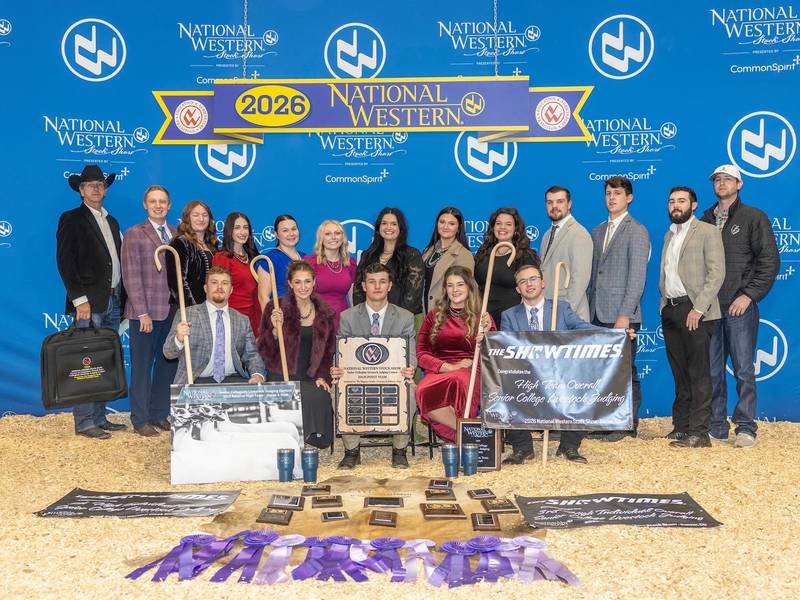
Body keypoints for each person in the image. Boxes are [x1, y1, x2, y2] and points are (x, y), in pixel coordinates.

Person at [700, 164, 779, 447]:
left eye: (727, 179)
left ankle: (746, 427)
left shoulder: (753, 217)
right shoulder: (704, 219)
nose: (721, 183)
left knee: (744, 368)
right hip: (710, 308)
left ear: (739, 184)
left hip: (739, 307)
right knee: (712, 370)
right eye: (717, 180)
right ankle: (716, 426)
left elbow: (769, 261)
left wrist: (748, 295)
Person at [56, 164, 127, 439]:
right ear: (81, 190)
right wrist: (79, 299)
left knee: (104, 362)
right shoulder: (71, 219)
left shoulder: (112, 221)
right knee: (87, 363)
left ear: (105, 190)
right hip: (88, 302)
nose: (96, 188)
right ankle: (85, 422)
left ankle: (99, 416)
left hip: (112, 299)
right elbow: (65, 262)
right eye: (90, 185)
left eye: (100, 184)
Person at [500, 264, 596, 464]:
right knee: (503, 388)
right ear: (518, 289)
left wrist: (616, 334)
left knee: (583, 388)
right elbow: (505, 349)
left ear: (543, 283)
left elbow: (583, 328)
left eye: (533, 279)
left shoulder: (561, 308)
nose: (529, 284)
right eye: (523, 281)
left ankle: (569, 446)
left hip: (560, 376)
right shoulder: (509, 315)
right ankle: (522, 448)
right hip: (526, 377)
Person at [331, 262, 417, 469]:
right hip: (358, 378)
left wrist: (410, 367)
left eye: (382, 282)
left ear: (389, 286)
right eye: (372, 282)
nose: (377, 286)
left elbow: (411, 352)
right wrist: (337, 367)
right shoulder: (348, 316)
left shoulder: (405, 317)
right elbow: (341, 351)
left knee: (411, 392)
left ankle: (399, 450)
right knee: (337, 390)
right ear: (363, 286)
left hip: (393, 377)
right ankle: (352, 450)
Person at [659, 186, 725, 448]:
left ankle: (699, 433)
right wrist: (664, 305)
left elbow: (716, 273)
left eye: (682, 201)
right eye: (672, 200)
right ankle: (682, 426)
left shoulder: (708, 231)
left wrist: (699, 308)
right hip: (672, 309)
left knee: (698, 373)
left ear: (694, 205)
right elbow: (667, 274)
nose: (676, 205)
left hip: (696, 310)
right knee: (680, 373)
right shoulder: (669, 234)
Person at [588, 176, 650, 440]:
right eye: (608, 193)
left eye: (617, 193)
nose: (611, 197)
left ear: (629, 197)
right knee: (601, 373)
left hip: (621, 316)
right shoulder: (597, 231)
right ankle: (604, 421)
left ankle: (627, 424)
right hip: (596, 313)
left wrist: (625, 315)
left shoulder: (637, 230)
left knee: (625, 371)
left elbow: (636, 278)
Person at [258, 260, 336, 449]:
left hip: (309, 375)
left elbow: (327, 353)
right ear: (290, 283)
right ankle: (289, 438)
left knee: (320, 395)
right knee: (295, 395)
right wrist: (275, 333)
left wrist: (322, 376)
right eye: (298, 282)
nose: (303, 287)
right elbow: (263, 350)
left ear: (314, 282)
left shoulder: (325, 312)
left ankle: (310, 436)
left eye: (307, 281)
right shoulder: (274, 308)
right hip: (281, 373)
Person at [120, 185, 178, 437]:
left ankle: (159, 413)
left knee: (167, 366)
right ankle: (140, 419)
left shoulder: (176, 234)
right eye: (153, 201)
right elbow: (130, 275)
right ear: (145, 205)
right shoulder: (134, 233)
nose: (158, 205)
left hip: (171, 312)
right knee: (143, 367)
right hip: (144, 313)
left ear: (169, 205)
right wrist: (141, 312)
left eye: (162, 201)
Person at [416, 265, 494, 442]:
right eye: (450, 285)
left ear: (469, 287)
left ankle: (464, 436)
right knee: (422, 390)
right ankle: (466, 435)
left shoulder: (481, 317)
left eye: (460, 284)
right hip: (440, 369)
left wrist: (488, 334)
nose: (455, 290)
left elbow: (493, 355)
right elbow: (421, 353)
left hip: (471, 368)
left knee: (461, 380)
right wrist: (449, 367)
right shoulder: (433, 316)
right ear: (445, 289)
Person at [163, 266, 266, 385]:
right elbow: (168, 353)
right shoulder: (186, 314)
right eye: (214, 282)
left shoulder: (242, 320)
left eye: (225, 283)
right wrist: (179, 339)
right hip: (195, 382)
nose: (220, 287)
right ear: (206, 288)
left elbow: (252, 354)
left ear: (231, 289)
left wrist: (257, 375)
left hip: (232, 382)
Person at [474, 207, 540, 325]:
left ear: (515, 229)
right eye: (498, 223)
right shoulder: (483, 252)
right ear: (493, 227)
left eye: (508, 224)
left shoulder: (525, 256)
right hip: (483, 319)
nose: (502, 227)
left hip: (511, 321)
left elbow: (532, 289)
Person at [353, 207, 424, 315]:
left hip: (403, 321)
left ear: (400, 228)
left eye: (394, 224)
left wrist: (392, 320)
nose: (388, 227)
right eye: (384, 223)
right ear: (378, 227)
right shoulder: (367, 255)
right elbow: (358, 290)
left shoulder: (412, 255)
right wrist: (365, 316)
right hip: (370, 320)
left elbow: (413, 296)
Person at [539, 186, 593, 320]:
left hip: (569, 316)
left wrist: (565, 314)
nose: (554, 206)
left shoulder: (579, 234)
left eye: (559, 201)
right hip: (548, 313)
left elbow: (579, 281)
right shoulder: (546, 235)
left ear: (569, 204)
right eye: (550, 202)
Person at [212, 212, 261, 335]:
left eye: (245, 228)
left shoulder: (254, 257)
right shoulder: (222, 258)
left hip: (254, 320)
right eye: (237, 227)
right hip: (232, 320)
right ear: (229, 231)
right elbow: (218, 293)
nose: (242, 232)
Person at [421, 207, 474, 314]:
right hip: (424, 311)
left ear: (458, 228)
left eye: (451, 223)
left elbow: (464, 291)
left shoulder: (464, 255)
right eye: (442, 222)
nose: (445, 226)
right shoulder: (429, 250)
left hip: (447, 314)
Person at [304, 219, 356, 330]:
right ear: (321, 238)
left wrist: (354, 321)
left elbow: (352, 296)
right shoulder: (310, 262)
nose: (333, 237)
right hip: (315, 318)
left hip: (342, 320)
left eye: (337, 233)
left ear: (343, 238)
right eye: (328, 234)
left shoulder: (350, 263)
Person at [167, 200, 218, 308]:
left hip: (209, 307)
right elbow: (177, 282)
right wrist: (192, 308)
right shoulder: (180, 243)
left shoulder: (212, 244)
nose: (201, 219)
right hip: (188, 309)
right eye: (196, 215)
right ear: (187, 218)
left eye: (205, 215)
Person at [256, 214, 304, 309]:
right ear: (276, 234)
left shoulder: (306, 258)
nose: (291, 234)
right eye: (285, 230)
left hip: (307, 318)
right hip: (282, 318)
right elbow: (263, 297)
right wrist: (271, 321)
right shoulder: (268, 260)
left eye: (294, 229)